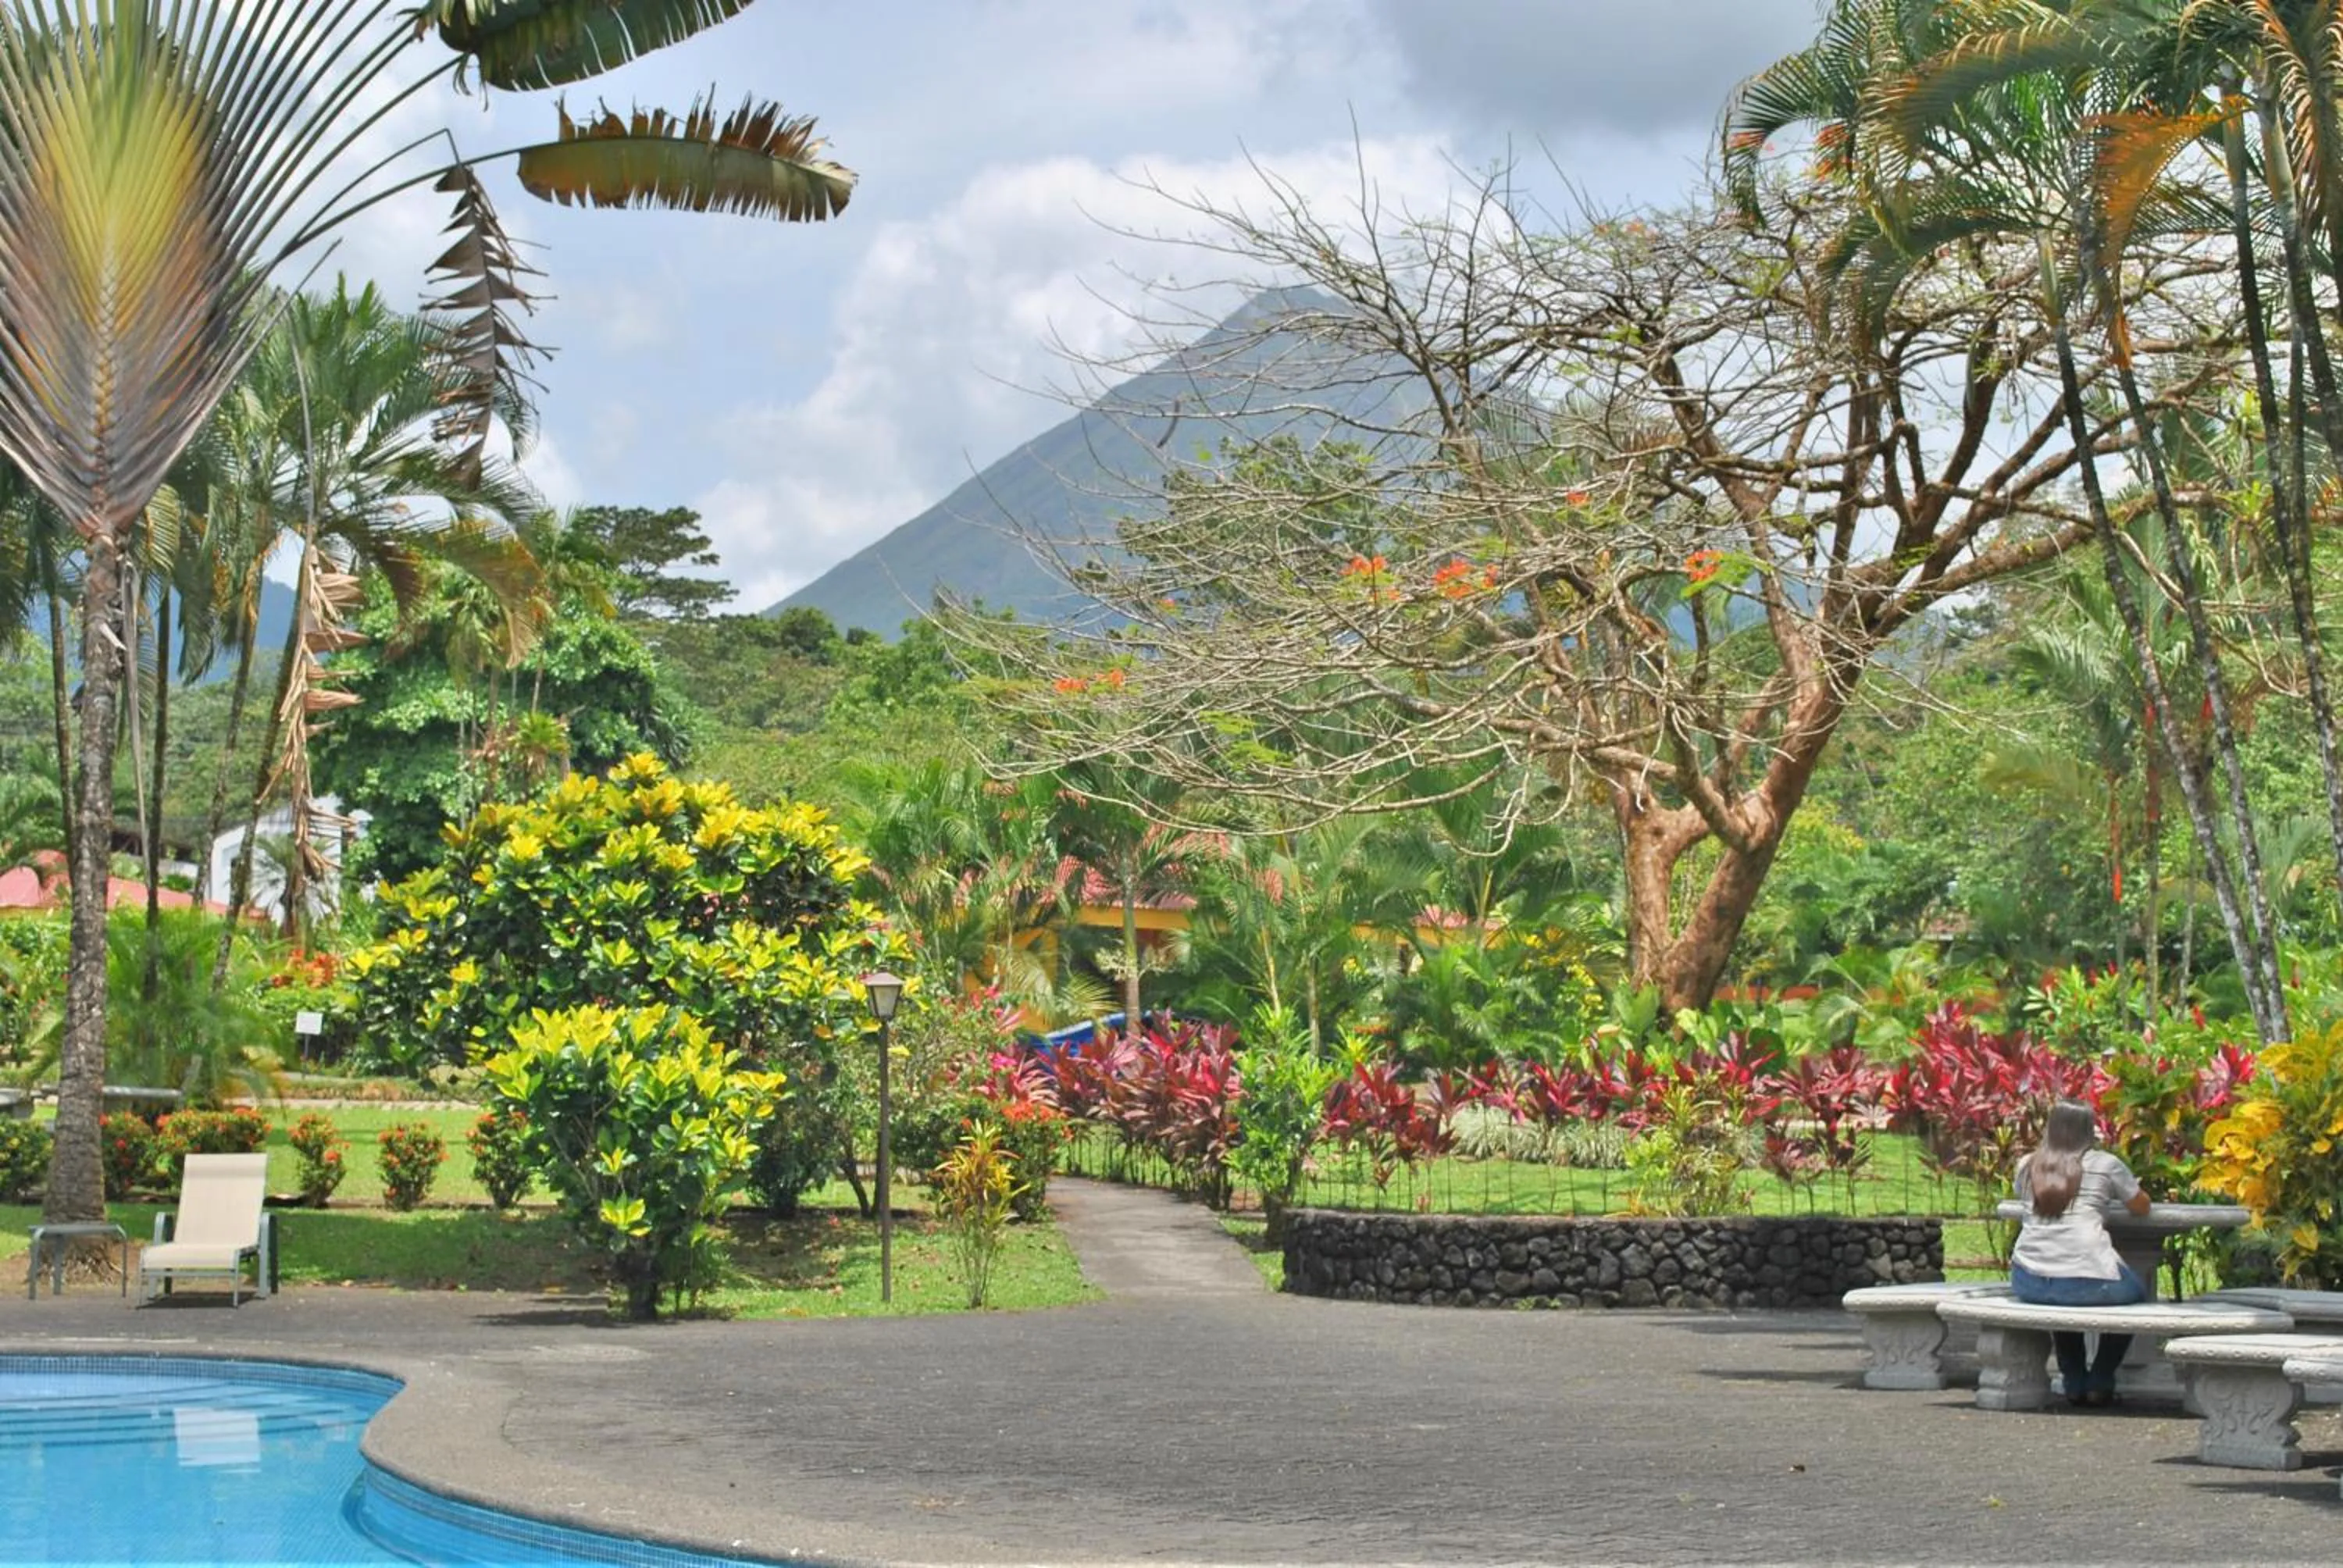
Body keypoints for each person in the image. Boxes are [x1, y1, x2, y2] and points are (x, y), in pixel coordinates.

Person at [2009, 1100, 2152, 1407]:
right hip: (2088, 1279)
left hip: (2028, 1278)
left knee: (2062, 1296)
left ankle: (2074, 1381)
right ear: (2089, 1131)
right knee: (2137, 1296)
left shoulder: (2027, 1165)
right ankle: (2100, 1378)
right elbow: (2141, 1207)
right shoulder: (2105, 1164)